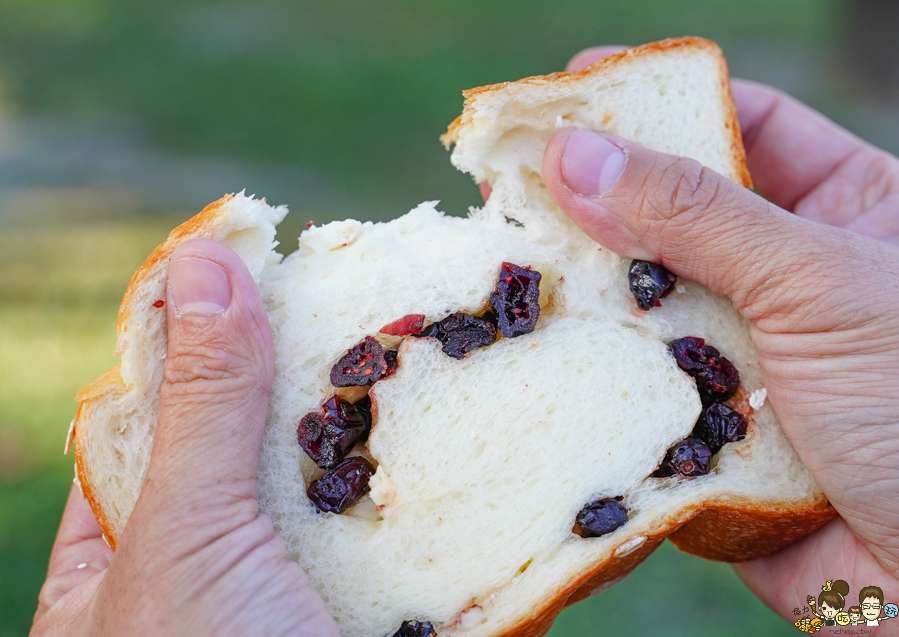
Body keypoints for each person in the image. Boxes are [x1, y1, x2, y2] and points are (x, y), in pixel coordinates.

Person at [31, 45, 899, 636]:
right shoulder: (855, 588)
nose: (851, 614)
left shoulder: (847, 589)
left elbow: (852, 610)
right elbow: (859, 610)